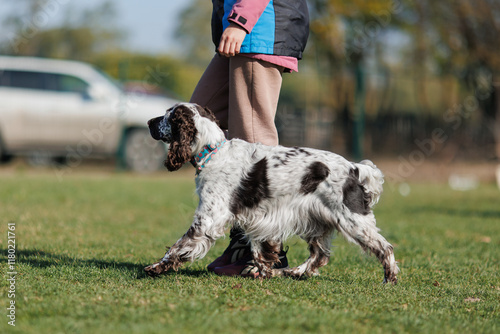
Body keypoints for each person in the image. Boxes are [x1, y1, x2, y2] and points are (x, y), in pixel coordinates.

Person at [189, 0, 309, 277]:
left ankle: (267, 249)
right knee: (195, 124)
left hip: (257, 30)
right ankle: (242, 233)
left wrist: (240, 22)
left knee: (253, 142)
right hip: (238, 30)